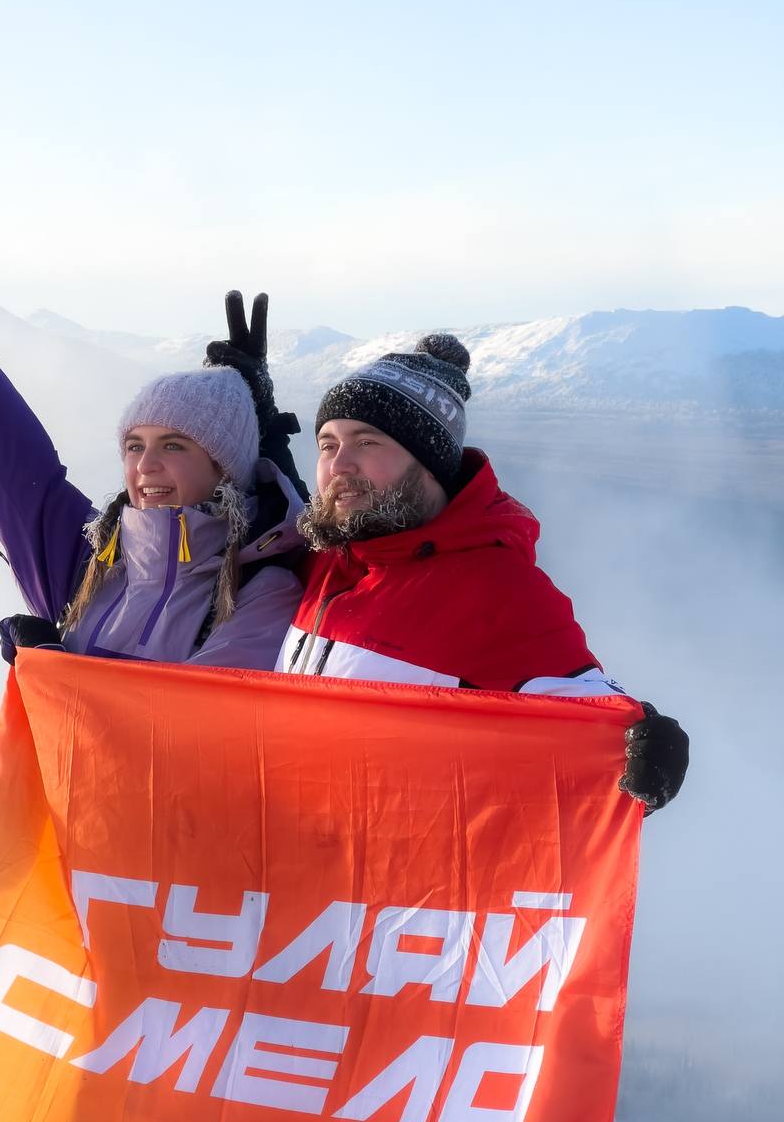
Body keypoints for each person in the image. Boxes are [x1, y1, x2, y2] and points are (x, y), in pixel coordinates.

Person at [0, 183, 304, 670]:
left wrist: (60, 678)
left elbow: (190, 732)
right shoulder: (91, 567)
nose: (145, 466)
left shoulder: (262, 590)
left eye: (174, 446)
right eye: (134, 446)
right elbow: (1, 453)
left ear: (225, 466)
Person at [276, 332, 689, 812]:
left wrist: (646, 744)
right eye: (327, 445)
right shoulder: (331, 562)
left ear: (430, 465)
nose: (338, 465)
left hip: (397, 873)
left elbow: (599, 733)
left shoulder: (499, 590)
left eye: (367, 442)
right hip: (296, 862)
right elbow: (245, 519)